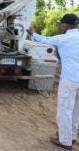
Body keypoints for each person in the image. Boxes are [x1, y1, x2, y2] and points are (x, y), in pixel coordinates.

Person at [27, 14, 79, 150]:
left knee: (65, 109)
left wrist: (33, 34)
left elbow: (44, 40)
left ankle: (65, 141)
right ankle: (71, 137)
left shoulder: (64, 38)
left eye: (61, 24)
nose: (61, 26)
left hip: (70, 79)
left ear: (66, 25)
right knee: (75, 111)